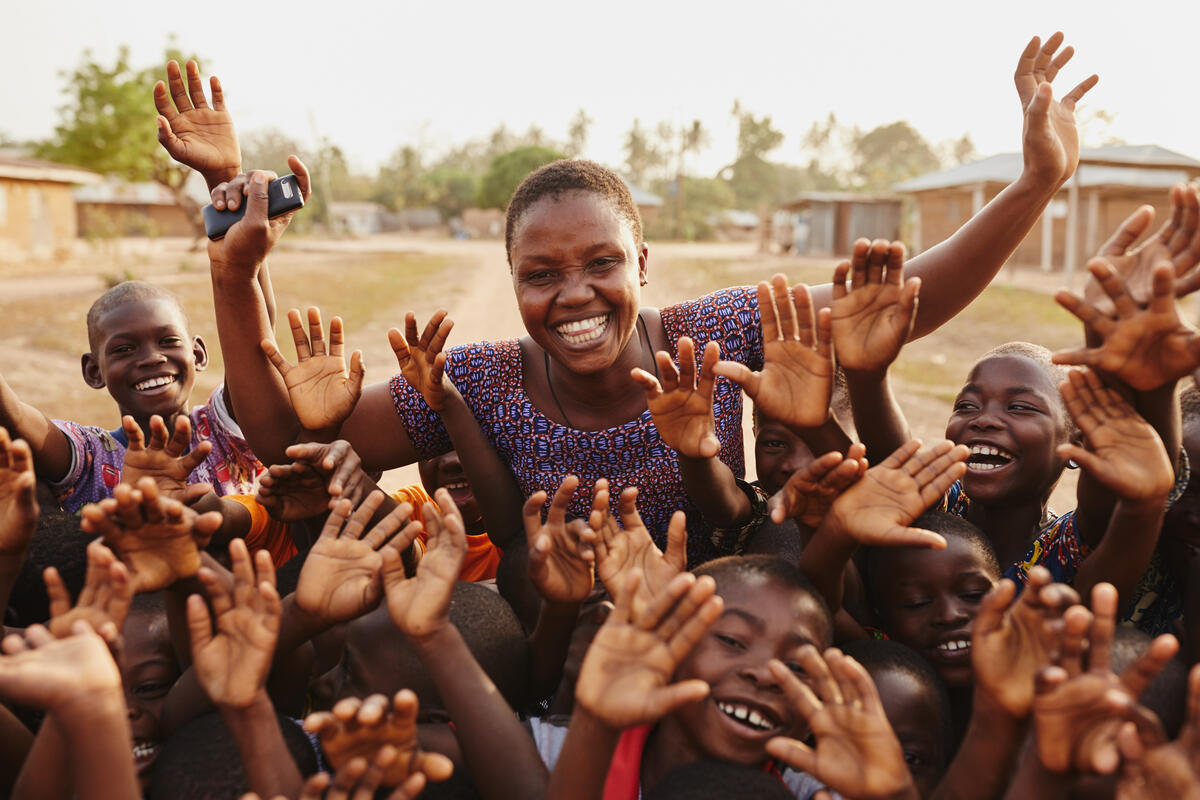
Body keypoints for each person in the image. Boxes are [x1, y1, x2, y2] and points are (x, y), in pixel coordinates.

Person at [206, 34, 1097, 564]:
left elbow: (909, 302)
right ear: (514, 283)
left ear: (644, 262)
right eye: (541, 274)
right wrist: (234, 274)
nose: (574, 295)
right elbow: (285, 440)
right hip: (556, 654)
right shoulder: (473, 381)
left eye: (601, 264)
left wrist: (1033, 183)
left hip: (723, 627)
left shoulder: (715, 333)